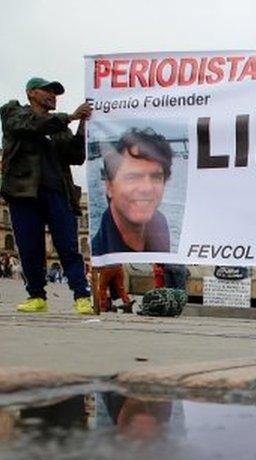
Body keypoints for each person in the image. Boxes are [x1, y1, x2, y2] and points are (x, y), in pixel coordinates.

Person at [0, 77, 93, 314]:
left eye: (56, 93)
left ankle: (82, 295)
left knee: (68, 245)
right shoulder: (13, 112)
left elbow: (75, 155)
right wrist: (70, 117)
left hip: (56, 192)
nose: (53, 96)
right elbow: (30, 125)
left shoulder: (58, 127)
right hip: (23, 191)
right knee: (29, 246)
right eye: (48, 91)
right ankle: (36, 295)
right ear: (31, 93)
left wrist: (83, 124)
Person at [91, 128, 172, 255]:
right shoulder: (99, 253)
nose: (146, 188)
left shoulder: (160, 223)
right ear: (109, 186)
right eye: (133, 177)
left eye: (156, 177)